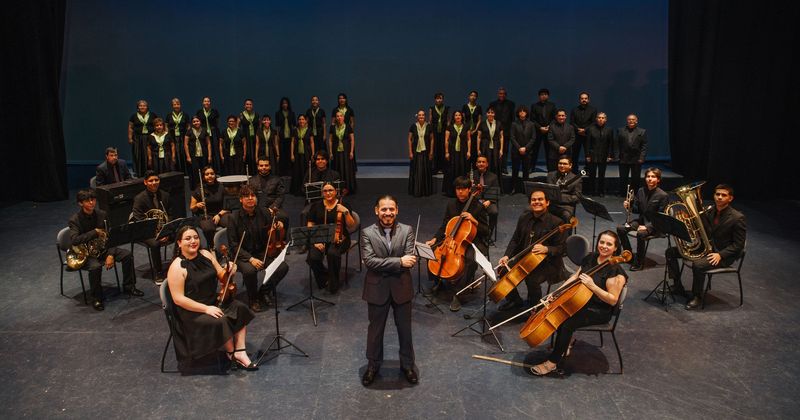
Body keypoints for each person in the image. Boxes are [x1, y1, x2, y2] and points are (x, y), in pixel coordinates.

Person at [529, 230, 628, 376]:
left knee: (566, 322)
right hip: (581, 301)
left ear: (615, 248)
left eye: (609, 244)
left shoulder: (615, 272)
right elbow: (575, 276)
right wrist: (555, 293)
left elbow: (612, 300)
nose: (604, 246)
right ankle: (565, 343)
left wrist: (592, 286)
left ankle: (552, 363)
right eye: (602, 242)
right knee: (557, 310)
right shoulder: (591, 258)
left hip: (599, 310)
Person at [166, 225, 258, 372]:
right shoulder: (176, 267)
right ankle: (230, 352)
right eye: (188, 238)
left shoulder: (206, 254)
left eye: (195, 237)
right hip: (192, 311)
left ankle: (240, 351)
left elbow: (221, 274)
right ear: (179, 243)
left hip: (212, 300)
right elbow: (178, 299)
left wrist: (229, 269)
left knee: (240, 307)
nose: (193, 241)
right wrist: (206, 309)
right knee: (221, 319)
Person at [360, 195, 418, 386]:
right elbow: (370, 261)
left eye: (391, 209)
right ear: (377, 211)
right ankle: (373, 366)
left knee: (405, 330)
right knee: (375, 331)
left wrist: (388, 263)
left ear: (397, 210)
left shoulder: (407, 230)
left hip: (402, 287)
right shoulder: (367, 232)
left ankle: (407, 365)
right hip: (377, 289)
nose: (388, 213)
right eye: (384, 209)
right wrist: (399, 262)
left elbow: (410, 259)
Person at [666, 184, 746, 310]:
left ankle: (697, 296)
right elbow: (699, 229)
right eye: (717, 194)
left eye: (724, 195)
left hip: (723, 255)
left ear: (730, 198)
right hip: (706, 248)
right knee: (670, 252)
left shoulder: (737, 218)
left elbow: (738, 245)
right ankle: (677, 286)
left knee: (698, 265)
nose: (719, 197)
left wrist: (720, 255)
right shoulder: (709, 211)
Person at [68, 189, 141, 311]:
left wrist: (110, 254)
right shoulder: (75, 220)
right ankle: (96, 298)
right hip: (87, 253)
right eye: (87, 201)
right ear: (80, 203)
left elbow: (111, 236)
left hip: (104, 248)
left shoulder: (102, 214)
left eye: (93, 200)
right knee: (95, 267)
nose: (91, 203)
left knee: (127, 255)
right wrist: (94, 232)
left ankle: (129, 287)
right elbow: (75, 240)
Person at [425, 176, 490, 312]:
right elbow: (445, 225)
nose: (460, 192)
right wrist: (435, 239)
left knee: (470, 260)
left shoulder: (478, 206)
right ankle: (438, 281)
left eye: (463, 189)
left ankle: (459, 294)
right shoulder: (451, 205)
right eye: (458, 189)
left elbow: (486, 231)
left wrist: (474, 220)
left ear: (469, 189)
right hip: (452, 239)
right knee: (431, 249)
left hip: (472, 240)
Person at [496, 188, 567, 311]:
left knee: (532, 278)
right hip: (525, 258)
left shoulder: (557, 222)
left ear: (547, 202)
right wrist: (507, 255)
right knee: (503, 270)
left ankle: (534, 307)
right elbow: (515, 239)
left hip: (547, 262)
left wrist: (547, 248)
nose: (536, 202)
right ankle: (514, 300)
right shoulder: (524, 218)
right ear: (530, 203)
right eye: (534, 200)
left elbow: (562, 248)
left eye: (540, 199)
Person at [226, 186, 290, 312]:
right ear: (241, 199)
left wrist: (278, 225)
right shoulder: (233, 218)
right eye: (246, 196)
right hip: (242, 255)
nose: (250, 198)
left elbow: (273, 226)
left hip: (262, 252)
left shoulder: (264, 212)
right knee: (250, 271)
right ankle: (253, 299)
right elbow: (233, 246)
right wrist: (251, 259)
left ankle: (264, 291)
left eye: (253, 195)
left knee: (282, 267)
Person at [306, 182, 356, 294]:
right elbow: (310, 223)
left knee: (332, 253)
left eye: (330, 190)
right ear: (322, 193)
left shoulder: (344, 205)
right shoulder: (316, 206)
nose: (328, 193)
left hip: (340, 237)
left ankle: (334, 283)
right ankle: (324, 278)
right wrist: (315, 240)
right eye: (325, 191)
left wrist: (346, 212)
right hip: (320, 237)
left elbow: (351, 225)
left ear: (336, 192)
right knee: (313, 258)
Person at [616, 167, 668, 271]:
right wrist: (629, 206)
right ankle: (629, 255)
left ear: (658, 179)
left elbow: (661, 217)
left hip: (655, 225)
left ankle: (639, 262)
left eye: (653, 176)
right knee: (620, 228)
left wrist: (647, 227)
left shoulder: (663, 195)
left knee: (640, 234)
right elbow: (636, 210)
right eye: (648, 176)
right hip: (642, 220)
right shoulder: (641, 191)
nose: (650, 179)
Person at [131, 171, 171, 281]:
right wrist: (157, 234)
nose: (154, 183)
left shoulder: (165, 195)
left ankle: (179, 264)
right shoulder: (139, 198)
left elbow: (170, 215)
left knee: (182, 233)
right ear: (145, 182)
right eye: (151, 181)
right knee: (155, 243)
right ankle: (158, 272)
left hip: (163, 229)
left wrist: (166, 231)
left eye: (156, 180)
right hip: (146, 231)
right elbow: (139, 219)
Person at [190, 166, 228, 249]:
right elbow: (192, 208)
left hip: (220, 213)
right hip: (205, 215)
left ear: (215, 175)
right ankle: (212, 246)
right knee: (208, 228)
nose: (210, 176)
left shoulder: (221, 187)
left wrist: (219, 215)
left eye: (212, 173)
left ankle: (229, 244)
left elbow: (227, 206)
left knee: (231, 222)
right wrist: (197, 205)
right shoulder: (198, 189)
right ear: (203, 177)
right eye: (207, 174)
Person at [585, 112, 614, 196]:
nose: (601, 119)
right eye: (599, 117)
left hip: (604, 155)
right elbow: (587, 143)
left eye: (602, 118)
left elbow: (611, 144)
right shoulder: (590, 129)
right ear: (596, 119)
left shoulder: (609, 130)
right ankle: (591, 191)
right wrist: (587, 155)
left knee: (602, 175)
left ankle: (601, 191)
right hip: (592, 155)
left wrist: (610, 155)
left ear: (605, 119)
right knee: (592, 175)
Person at [617, 114, 647, 195]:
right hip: (623, 158)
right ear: (627, 121)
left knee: (635, 178)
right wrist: (617, 156)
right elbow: (617, 144)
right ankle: (623, 193)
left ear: (636, 121)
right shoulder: (620, 130)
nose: (631, 121)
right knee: (623, 177)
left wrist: (642, 157)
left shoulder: (642, 131)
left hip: (636, 158)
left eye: (633, 119)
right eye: (629, 119)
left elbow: (644, 146)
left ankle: (635, 193)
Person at [546, 155, 583, 223]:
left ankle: (566, 230)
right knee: (530, 210)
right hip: (550, 204)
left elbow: (577, 197)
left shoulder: (576, 179)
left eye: (565, 164)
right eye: (560, 163)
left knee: (566, 215)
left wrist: (560, 197)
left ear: (570, 165)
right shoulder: (550, 175)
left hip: (565, 206)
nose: (562, 166)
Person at [442, 111, 470, 197]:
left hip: (463, 151)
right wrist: (446, 152)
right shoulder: (449, 127)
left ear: (462, 117)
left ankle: (463, 190)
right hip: (452, 151)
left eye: (459, 115)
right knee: (451, 170)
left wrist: (469, 151)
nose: (458, 117)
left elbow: (469, 139)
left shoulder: (466, 126)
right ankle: (451, 191)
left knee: (462, 169)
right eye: (456, 115)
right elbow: (446, 140)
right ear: (454, 117)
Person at [487, 87, 515, 175]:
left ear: (506, 95)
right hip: (494, 130)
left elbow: (512, 118)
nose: (501, 95)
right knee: (494, 149)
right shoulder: (492, 104)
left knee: (505, 150)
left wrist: (511, 130)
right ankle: (494, 167)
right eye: (500, 93)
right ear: (498, 94)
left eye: (503, 94)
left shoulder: (511, 104)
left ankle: (503, 167)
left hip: (506, 131)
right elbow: (490, 117)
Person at [328, 111, 357, 194]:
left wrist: (351, 151)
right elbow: (330, 140)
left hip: (346, 151)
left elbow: (352, 140)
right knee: (337, 168)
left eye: (341, 116)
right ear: (335, 118)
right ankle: (337, 188)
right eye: (337, 116)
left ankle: (347, 188)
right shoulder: (332, 127)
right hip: (336, 151)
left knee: (346, 169)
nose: (339, 117)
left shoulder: (348, 126)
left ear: (343, 117)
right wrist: (330, 152)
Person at [569, 92, 597, 174]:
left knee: (588, 153)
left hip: (587, 135)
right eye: (582, 98)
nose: (584, 100)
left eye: (585, 98)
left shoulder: (593, 110)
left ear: (588, 100)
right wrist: (578, 129)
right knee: (574, 154)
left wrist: (584, 130)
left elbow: (593, 122)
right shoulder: (574, 109)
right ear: (579, 100)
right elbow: (572, 122)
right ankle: (574, 170)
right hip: (576, 135)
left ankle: (588, 170)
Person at [509, 105, 535, 195]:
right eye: (520, 111)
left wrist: (525, 148)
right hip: (516, 151)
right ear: (518, 113)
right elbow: (512, 137)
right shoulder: (514, 124)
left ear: (527, 113)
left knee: (526, 171)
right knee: (515, 171)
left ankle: (525, 189)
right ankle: (513, 188)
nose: (522, 112)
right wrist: (519, 148)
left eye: (524, 111)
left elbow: (533, 138)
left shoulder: (531, 124)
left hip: (527, 151)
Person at [407, 110, 434, 197]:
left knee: (425, 171)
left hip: (426, 152)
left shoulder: (429, 126)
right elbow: (409, 139)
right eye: (419, 115)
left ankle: (425, 191)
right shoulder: (413, 126)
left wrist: (431, 152)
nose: (421, 116)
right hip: (416, 152)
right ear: (417, 117)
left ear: (425, 116)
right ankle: (416, 190)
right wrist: (410, 152)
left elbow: (432, 139)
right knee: (416, 171)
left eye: (423, 115)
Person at [472, 155, 500, 238]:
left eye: (483, 162)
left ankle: (489, 233)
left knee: (494, 212)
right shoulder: (471, 175)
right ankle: (473, 232)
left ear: (487, 164)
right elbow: (470, 190)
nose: (481, 164)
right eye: (479, 162)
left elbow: (496, 191)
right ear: (476, 164)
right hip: (475, 201)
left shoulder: (493, 177)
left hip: (489, 201)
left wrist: (490, 201)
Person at [128, 99, 158, 177]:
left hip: (150, 138)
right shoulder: (133, 116)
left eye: (144, 106)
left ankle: (151, 173)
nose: (142, 107)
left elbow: (157, 125)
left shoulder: (153, 115)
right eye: (140, 106)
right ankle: (139, 174)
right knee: (138, 155)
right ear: (138, 107)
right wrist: (130, 138)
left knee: (150, 156)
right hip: (138, 138)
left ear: (147, 107)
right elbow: (130, 127)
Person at [531, 89, 557, 172]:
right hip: (537, 131)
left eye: (545, 94)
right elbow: (532, 119)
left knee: (549, 151)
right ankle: (531, 167)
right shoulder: (534, 106)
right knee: (534, 150)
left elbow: (554, 118)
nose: (543, 96)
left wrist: (548, 127)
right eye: (542, 94)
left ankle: (550, 168)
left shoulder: (552, 105)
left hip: (549, 131)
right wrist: (540, 128)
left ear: (548, 96)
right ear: (539, 96)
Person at [184, 115, 212, 190]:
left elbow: (208, 143)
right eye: (194, 121)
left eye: (197, 121)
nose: (196, 123)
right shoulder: (189, 131)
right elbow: (186, 144)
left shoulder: (204, 130)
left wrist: (209, 156)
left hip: (203, 155)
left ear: (200, 122)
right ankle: (196, 188)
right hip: (193, 155)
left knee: (204, 171)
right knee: (195, 172)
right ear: (192, 123)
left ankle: (206, 187)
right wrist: (188, 156)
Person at [290, 114, 315, 195]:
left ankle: (306, 190)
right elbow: (292, 142)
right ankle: (297, 190)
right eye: (300, 119)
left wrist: (313, 154)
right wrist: (292, 154)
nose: (301, 121)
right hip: (297, 153)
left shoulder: (309, 130)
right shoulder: (295, 130)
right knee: (297, 171)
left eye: (303, 119)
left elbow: (312, 142)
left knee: (306, 171)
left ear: (306, 121)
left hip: (306, 153)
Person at [476, 107, 504, 177]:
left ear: (494, 114)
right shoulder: (482, 124)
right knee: (486, 163)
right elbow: (479, 137)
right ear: (486, 114)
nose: (490, 114)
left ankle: (495, 181)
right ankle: (484, 180)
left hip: (496, 145)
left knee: (496, 164)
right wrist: (478, 149)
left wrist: (501, 149)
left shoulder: (499, 123)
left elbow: (501, 137)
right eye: (488, 112)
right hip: (485, 146)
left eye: (492, 112)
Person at [196, 97, 221, 173]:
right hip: (203, 134)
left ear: (210, 103)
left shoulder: (214, 112)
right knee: (206, 151)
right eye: (205, 101)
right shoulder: (199, 112)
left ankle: (216, 170)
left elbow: (217, 123)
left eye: (208, 101)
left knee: (215, 151)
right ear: (203, 103)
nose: (206, 102)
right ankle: (206, 170)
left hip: (214, 133)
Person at [166, 98, 189, 175]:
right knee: (174, 155)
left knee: (183, 154)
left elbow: (188, 127)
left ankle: (186, 173)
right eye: (174, 104)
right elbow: (166, 127)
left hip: (183, 137)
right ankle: (176, 173)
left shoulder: (185, 115)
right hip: (172, 138)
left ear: (180, 105)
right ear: (172, 106)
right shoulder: (169, 115)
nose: (176, 106)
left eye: (178, 104)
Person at [428, 92, 450, 174]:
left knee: (443, 148)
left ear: (443, 99)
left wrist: (448, 131)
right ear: (435, 100)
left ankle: (443, 168)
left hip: (444, 131)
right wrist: (430, 131)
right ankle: (435, 168)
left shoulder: (446, 108)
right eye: (437, 98)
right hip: (435, 131)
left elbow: (448, 121)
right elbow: (430, 120)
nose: (439, 100)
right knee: (435, 149)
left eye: (440, 98)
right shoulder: (432, 108)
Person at [275, 97, 296, 176]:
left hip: (290, 136)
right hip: (282, 136)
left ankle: (290, 172)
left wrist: (294, 136)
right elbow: (277, 126)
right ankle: (283, 173)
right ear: (281, 104)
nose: (284, 105)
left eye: (286, 103)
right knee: (282, 155)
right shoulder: (278, 113)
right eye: (283, 103)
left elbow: (294, 126)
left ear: (288, 104)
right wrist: (277, 136)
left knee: (289, 154)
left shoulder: (292, 113)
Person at [239, 99, 260, 176]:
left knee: (255, 155)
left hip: (255, 138)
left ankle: (256, 173)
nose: (249, 106)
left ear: (252, 105)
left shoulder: (256, 114)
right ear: (244, 106)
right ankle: (247, 174)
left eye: (250, 104)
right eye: (247, 104)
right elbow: (238, 127)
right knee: (247, 155)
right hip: (246, 138)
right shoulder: (241, 115)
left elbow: (259, 126)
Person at [462, 90, 482, 167]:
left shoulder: (479, 107)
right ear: (469, 97)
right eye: (471, 95)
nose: (473, 97)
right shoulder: (465, 106)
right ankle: (466, 167)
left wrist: (475, 130)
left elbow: (479, 120)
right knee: (467, 148)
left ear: (476, 97)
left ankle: (474, 167)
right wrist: (467, 130)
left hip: (475, 131)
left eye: (475, 96)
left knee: (474, 149)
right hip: (467, 131)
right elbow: (463, 119)